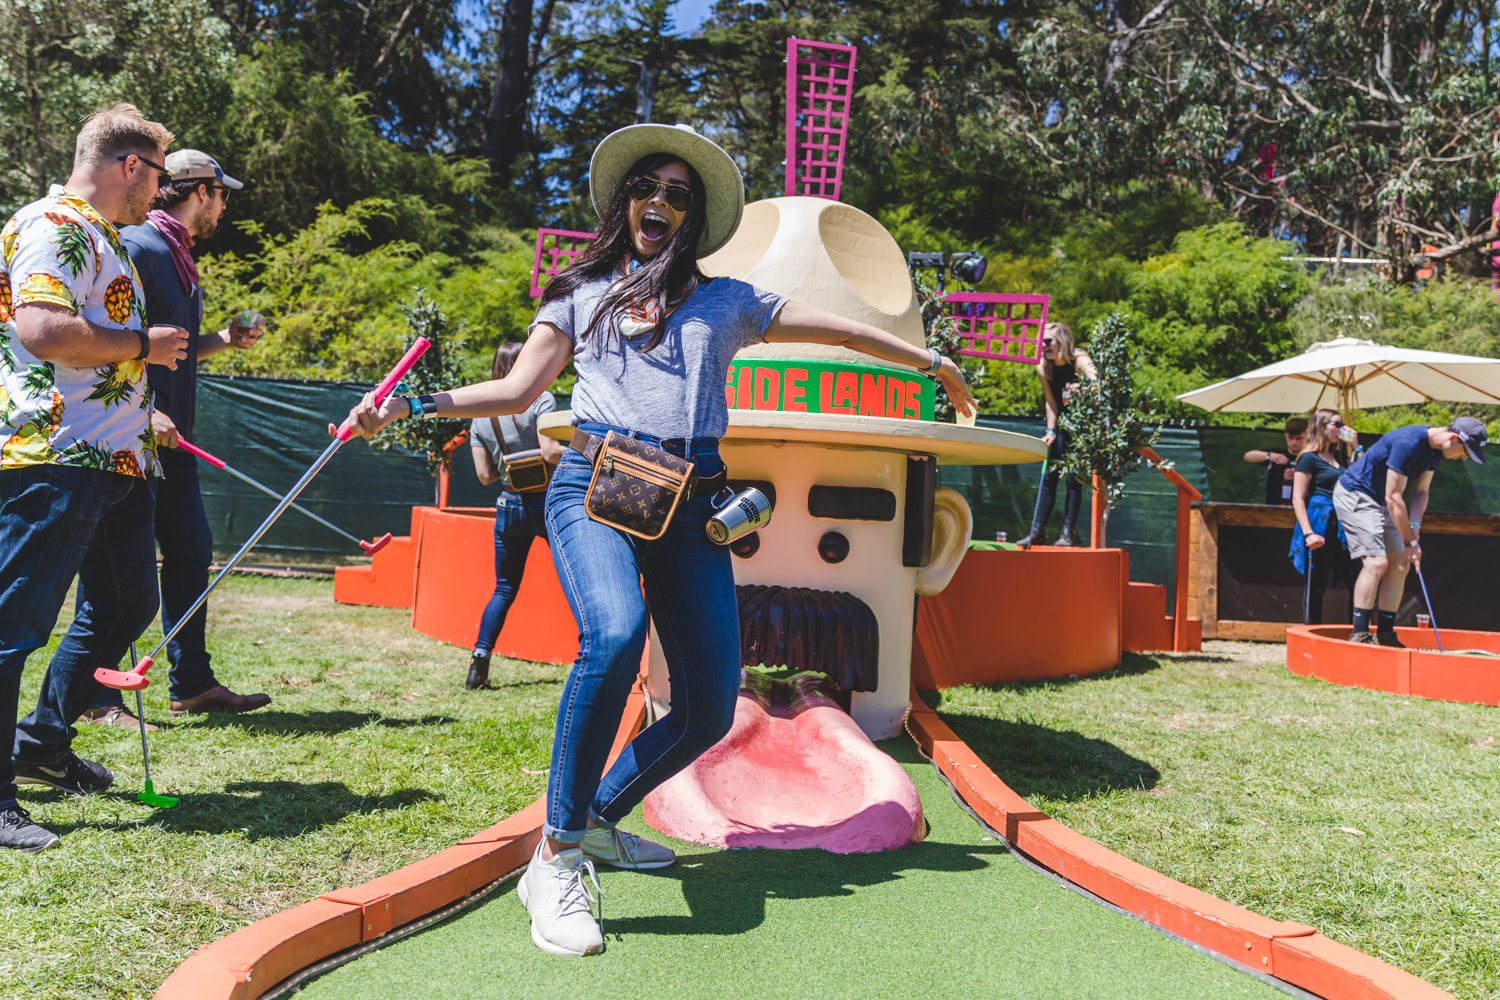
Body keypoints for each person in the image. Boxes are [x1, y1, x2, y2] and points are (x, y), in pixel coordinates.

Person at [336, 122, 976, 956]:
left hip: (690, 501)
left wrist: (932, 365)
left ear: (692, 217)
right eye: (649, 188)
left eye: (679, 195)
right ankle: (557, 854)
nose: (661, 203)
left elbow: (844, 332)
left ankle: (598, 818)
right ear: (624, 201)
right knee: (613, 634)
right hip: (592, 484)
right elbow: (518, 386)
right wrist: (410, 405)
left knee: (709, 705)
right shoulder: (578, 289)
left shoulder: (731, 300)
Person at [0, 104, 189, 852]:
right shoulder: (58, 226)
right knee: (11, 630)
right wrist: (145, 342)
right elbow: (42, 331)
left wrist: (141, 411)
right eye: (157, 177)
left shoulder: (101, 236)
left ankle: (42, 742)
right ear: (130, 167)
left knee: (127, 604)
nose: (159, 196)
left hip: (113, 457)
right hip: (57, 456)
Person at [83, 149, 270, 730]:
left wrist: (224, 339)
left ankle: (190, 684)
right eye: (222, 193)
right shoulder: (141, 248)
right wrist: (147, 411)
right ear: (199, 192)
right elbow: (109, 340)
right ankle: (98, 698)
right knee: (122, 576)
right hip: (132, 439)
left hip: (175, 444)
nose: (224, 205)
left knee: (191, 553)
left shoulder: (177, 256)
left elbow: (170, 343)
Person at [1332, 417, 1487, 646]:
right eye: (1465, 451)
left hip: (1383, 501)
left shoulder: (1434, 452)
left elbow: (1421, 491)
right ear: (1453, 438)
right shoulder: (1408, 443)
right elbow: (1394, 497)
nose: (1464, 458)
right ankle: (1359, 635)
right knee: (1376, 563)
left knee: (1401, 564)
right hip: (1356, 494)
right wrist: (1410, 543)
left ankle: (1384, 634)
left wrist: (1414, 527)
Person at [464, 342, 564, 689]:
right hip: (545, 504)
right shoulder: (542, 399)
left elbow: (483, 476)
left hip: (508, 505)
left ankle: (479, 660)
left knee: (504, 589)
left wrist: (510, 463)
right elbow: (551, 452)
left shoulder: (480, 416)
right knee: (579, 583)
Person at [1017, 322, 1095, 548]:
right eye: (1041, 341)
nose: (1044, 346)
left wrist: (1084, 388)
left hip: (1081, 430)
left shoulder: (1078, 359)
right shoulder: (1044, 367)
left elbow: (1096, 381)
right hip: (1061, 428)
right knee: (1049, 478)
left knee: (1073, 480)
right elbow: (1051, 402)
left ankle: (1067, 534)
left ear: (1061, 340)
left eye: (1048, 341)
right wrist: (1050, 430)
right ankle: (1037, 532)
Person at [1289, 409, 1356, 625]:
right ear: (1322, 426)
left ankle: (1358, 632)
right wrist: (1309, 533)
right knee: (1316, 585)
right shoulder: (1308, 458)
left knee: (1359, 580)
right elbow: (1297, 498)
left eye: (1342, 425)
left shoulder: (1341, 457)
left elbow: (1364, 476)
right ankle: (1311, 635)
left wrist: (1356, 447)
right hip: (1319, 521)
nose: (1341, 429)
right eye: (1337, 424)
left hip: (1344, 523)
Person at [1244, 416, 1307, 506]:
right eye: (1290, 438)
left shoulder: (1310, 457)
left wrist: (1299, 476)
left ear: (1307, 436)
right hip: (1274, 508)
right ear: (1285, 435)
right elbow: (1248, 456)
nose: (1294, 442)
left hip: (1303, 510)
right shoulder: (1277, 454)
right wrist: (1269, 456)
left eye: (1299, 438)